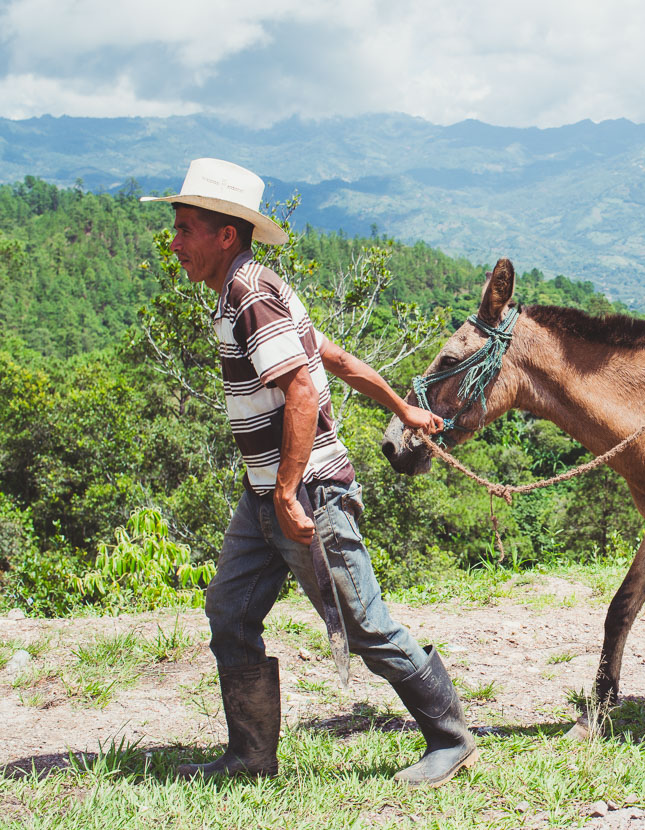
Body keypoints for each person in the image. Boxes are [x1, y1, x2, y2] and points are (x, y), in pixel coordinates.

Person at [142, 158, 476, 787]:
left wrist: (290, 492)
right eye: (176, 228)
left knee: (365, 625)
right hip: (268, 492)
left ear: (226, 236)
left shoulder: (251, 296)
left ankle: (451, 739)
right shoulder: (249, 288)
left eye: (186, 229)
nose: (175, 242)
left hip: (308, 493)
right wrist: (403, 406)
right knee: (230, 611)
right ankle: (250, 757)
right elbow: (333, 358)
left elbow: (300, 388)